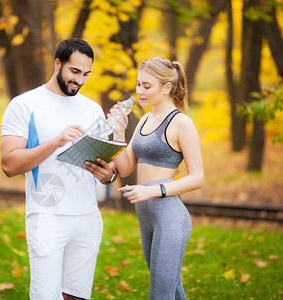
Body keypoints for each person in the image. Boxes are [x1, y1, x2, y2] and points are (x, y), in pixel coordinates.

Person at [0, 38, 117, 300]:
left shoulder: (93, 109)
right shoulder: (24, 105)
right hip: (47, 216)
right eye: (75, 71)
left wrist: (109, 175)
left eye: (86, 74)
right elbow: (9, 164)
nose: (80, 80)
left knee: (76, 295)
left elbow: (106, 167)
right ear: (57, 63)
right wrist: (56, 142)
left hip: (87, 216)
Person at [86, 56, 204, 299]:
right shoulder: (145, 120)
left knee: (160, 293)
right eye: (138, 84)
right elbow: (126, 167)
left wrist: (152, 190)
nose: (139, 91)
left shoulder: (182, 123)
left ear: (166, 88)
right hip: (147, 215)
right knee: (171, 290)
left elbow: (198, 178)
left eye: (147, 86)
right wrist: (119, 130)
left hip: (169, 215)